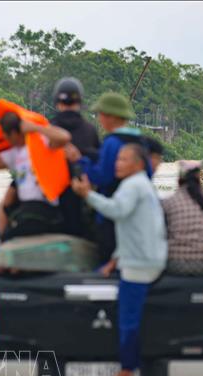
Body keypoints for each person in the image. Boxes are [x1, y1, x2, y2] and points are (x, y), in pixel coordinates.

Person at [72, 143, 167, 376]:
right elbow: (134, 230)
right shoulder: (142, 185)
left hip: (139, 265)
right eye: (117, 159)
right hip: (143, 258)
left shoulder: (133, 185)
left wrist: (87, 195)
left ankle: (126, 372)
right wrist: (114, 261)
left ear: (137, 163)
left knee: (128, 320)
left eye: (123, 159)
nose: (117, 163)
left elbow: (116, 211)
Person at [79, 92, 151, 263]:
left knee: (107, 252)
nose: (99, 119)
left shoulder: (112, 142)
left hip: (111, 210)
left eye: (100, 114)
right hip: (136, 211)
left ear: (109, 117)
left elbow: (101, 177)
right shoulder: (141, 140)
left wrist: (81, 161)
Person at [0, 111, 72, 241]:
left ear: (13, 133)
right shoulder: (15, 153)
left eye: (6, 136)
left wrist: (36, 127)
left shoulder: (42, 143)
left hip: (46, 207)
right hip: (25, 208)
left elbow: (64, 137)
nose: (6, 140)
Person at [51, 77, 102, 238]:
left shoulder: (48, 129)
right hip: (83, 204)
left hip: (52, 205)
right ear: (79, 101)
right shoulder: (90, 130)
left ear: (57, 101)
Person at [162, 161, 203, 275]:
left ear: (178, 179)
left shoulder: (169, 202)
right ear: (199, 179)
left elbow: (162, 234)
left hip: (177, 264)